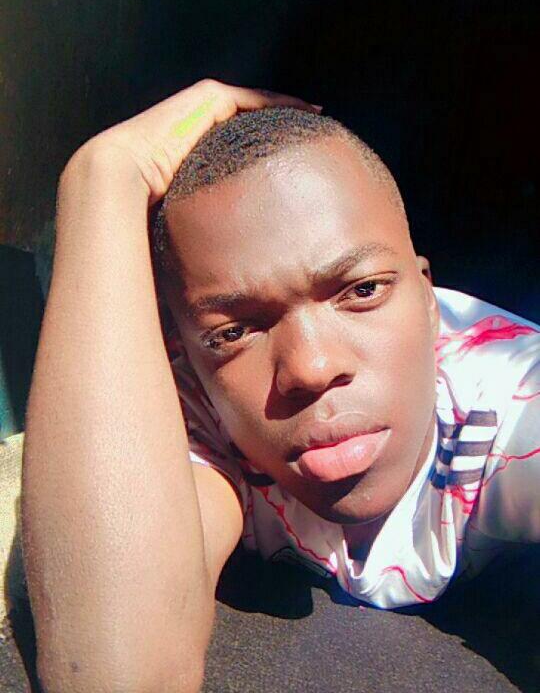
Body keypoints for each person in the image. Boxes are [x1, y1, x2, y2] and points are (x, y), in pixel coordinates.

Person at [21, 79, 539, 693]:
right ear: (184, 356)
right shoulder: (200, 407)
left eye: (362, 291)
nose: (310, 369)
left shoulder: (510, 398)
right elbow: (118, 676)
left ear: (428, 299)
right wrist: (103, 177)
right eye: (235, 331)